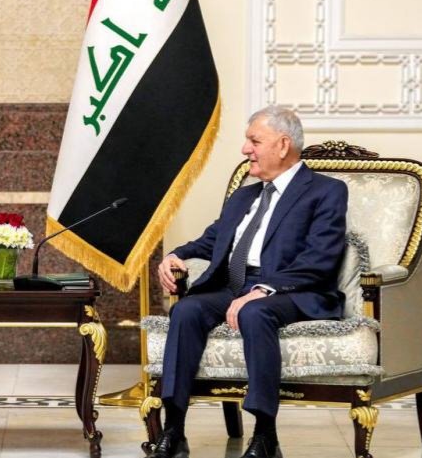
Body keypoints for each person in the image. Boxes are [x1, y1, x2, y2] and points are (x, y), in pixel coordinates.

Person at [149, 106, 348, 458]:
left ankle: (265, 435)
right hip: (234, 285)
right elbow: (212, 240)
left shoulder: (325, 191)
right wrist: (177, 255)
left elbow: (320, 259)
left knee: (255, 312)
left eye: (254, 141)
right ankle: (174, 429)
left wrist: (262, 290)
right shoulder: (244, 195)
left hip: (293, 290)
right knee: (187, 310)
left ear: (283, 145)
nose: (245, 149)